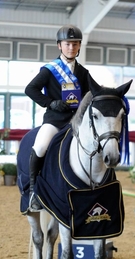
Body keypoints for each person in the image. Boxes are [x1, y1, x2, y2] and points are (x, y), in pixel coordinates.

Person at [25, 24, 93, 211]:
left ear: (79, 46)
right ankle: (33, 191)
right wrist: (50, 103)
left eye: (75, 44)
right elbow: (30, 89)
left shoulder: (83, 73)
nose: (71, 47)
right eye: (67, 44)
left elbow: (91, 94)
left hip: (76, 122)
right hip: (55, 120)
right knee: (40, 146)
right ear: (59, 46)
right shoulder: (49, 70)